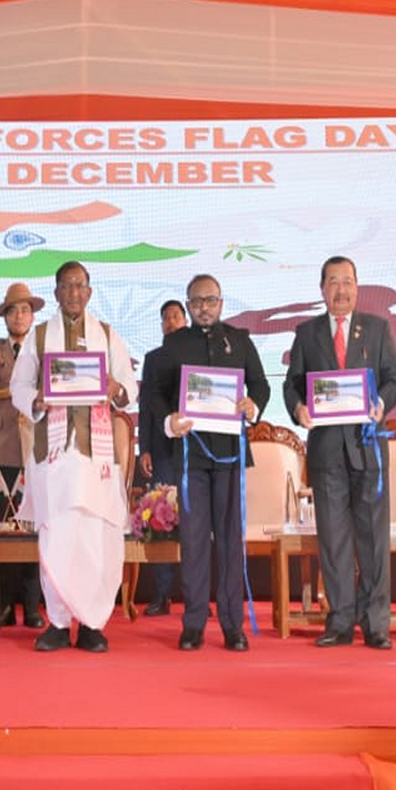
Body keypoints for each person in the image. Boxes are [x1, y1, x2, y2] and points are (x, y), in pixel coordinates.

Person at [11, 262, 137, 652]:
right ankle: (58, 623)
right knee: (58, 538)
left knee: (96, 538)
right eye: (66, 286)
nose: (73, 292)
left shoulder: (108, 335)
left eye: (80, 285)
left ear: (89, 291)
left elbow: (129, 386)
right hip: (55, 456)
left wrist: (116, 388)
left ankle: (93, 624)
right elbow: (18, 386)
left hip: (96, 457)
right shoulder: (39, 336)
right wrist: (36, 399)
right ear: (56, 292)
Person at [283, 256, 396, 649]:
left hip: (368, 447)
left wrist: (381, 403)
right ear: (322, 288)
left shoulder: (377, 328)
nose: (341, 289)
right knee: (333, 540)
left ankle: (376, 623)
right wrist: (298, 408)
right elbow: (292, 384)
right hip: (327, 451)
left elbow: (395, 378)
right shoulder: (307, 333)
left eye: (348, 281)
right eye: (333, 282)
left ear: (357, 286)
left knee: (373, 540)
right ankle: (339, 621)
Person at [156, 274, 270, 652]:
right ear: (188, 305)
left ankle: (233, 626)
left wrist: (253, 405)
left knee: (230, 542)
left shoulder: (239, 340)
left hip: (230, 456)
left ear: (221, 303)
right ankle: (193, 624)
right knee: (193, 543)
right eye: (196, 301)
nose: (203, 307)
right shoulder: (174, 344)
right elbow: (155, 392)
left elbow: (261, 385)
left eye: (210, 300)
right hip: (191, 457)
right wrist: (170, 419)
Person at [0, 281, 46, 629]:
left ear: (33, 316)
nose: (19, 316)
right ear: (5, 317)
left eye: (25, 310)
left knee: (32, 530)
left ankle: (31, 607)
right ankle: (1, 607)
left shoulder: (42, 350)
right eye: (13, 310)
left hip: (34, 450)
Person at [137, 299, 188, 615]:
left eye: (175, 316)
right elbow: (145, 407)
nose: (171, 322)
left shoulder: (196, 354)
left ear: (185, 321)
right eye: (166, 318)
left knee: (195, 522)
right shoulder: (153, 359)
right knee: (161, 520)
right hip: (161, 449)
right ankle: (161, 594)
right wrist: (144, 447)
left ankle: (195, 595)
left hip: (194, 449)